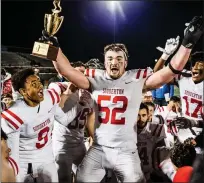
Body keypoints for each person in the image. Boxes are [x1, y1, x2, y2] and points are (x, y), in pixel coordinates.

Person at [41, 16, 203, 182]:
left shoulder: (135, 79)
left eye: (119, 59)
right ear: (105, 62)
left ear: (126, 63)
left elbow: (169, 72)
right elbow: (67, 71)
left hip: (125, 150)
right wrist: (54, 48)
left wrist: (187, 44)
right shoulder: (96, 78)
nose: (114, 62)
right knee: (82, 179)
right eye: (110, 58)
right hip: (99, 149)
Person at [1, 68, 78, 182]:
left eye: (39, 82)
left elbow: (65, 120)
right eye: (33, 84)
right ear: (23, 92)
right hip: (24, 161)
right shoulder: (15, 113)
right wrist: (12, 174)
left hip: (47, 158)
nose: (40, 86)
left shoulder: (49, 97)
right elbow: (13, 153)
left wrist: (77, 104)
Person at [136, 103, 166, 182]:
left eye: (143, 115)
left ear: (148, 115)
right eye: (138, 115)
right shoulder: (128, 130)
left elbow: (162, 151)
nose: (141, 119)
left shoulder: (155, 129)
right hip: (132, 173)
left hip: (149, 172)